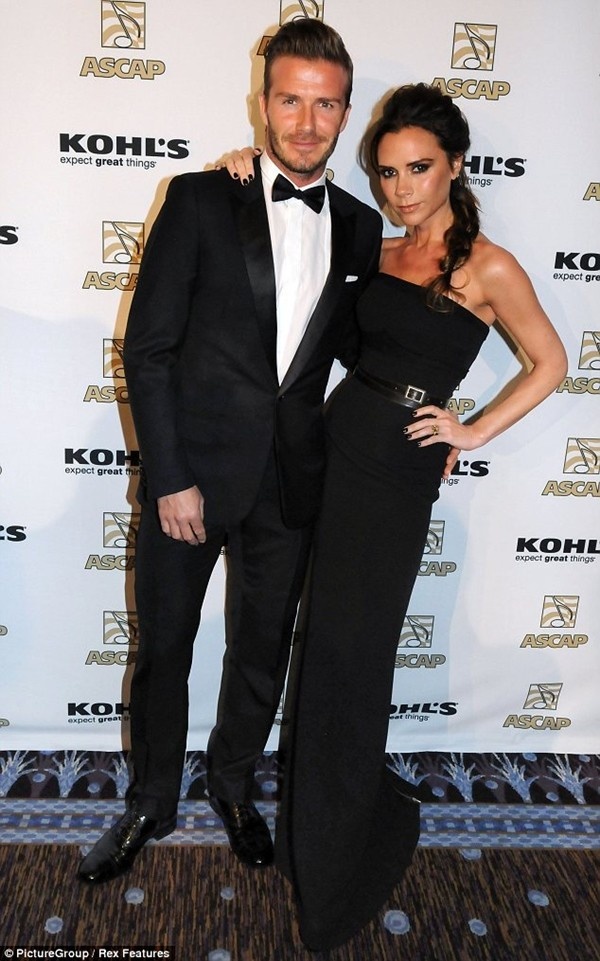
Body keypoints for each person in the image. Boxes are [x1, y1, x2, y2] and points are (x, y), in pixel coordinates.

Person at [220, 82, 567, 950]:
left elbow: (551, 361)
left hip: (398, 470)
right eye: (386, 172)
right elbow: (294, 271)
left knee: (354, 654)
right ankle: (318, 824)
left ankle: (336, 860)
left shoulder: (487, 265)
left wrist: (470, 429)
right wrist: (245, 177)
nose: (402, 188)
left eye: (418, 168)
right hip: (337, 442)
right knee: (320, 646)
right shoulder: (375, 249)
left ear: (455, 165)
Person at [76, 18, 382, 885]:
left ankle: (234, 786)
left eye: (326, 105)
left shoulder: (361, 228)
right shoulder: (201, 198)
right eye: (291, 100)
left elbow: (357, 351)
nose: (307, 122)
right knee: (165, 646)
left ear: (346, 111)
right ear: (262, 103)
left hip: (290, 481)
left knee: (260, 649)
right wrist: (169, 475)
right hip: (192, 478)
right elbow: (149, 349)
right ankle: (149, 801)